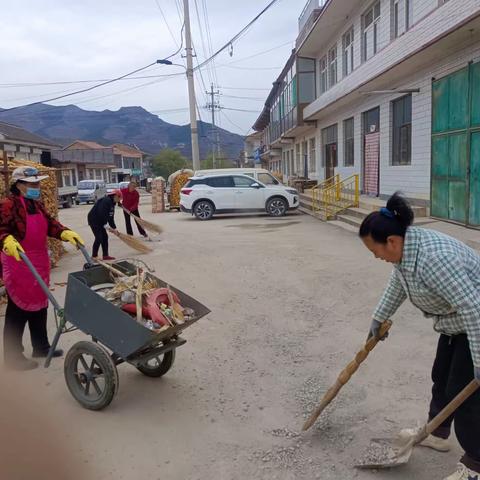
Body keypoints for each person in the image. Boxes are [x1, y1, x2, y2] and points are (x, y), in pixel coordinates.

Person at [360, 192, 480, 480]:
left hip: (474, 323)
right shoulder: (406, 252)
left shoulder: (434, 259)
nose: (375, 257)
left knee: (466, 397)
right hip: (454, 324)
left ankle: (476, 464)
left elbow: (474, 310)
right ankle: (436, 433)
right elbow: (399, 284)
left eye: (374, 250)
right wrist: (379, 317)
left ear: (391, 241)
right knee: (441, 377)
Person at [0, 166, 84, 371]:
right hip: (17, 260)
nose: (37, 186)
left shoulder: (36, 205)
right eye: (32, 184)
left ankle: (41, 346)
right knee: (18, 310)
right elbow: (1, 229)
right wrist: (6, 239)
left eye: (38, 183)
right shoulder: (7, 205)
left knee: (40, 303)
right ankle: (13, 356)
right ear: (19, 185)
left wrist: (65, 233)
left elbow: (51, 225)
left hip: (38, 260)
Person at [87, 189, 121, 261]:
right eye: (119, 198)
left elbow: (111, 217)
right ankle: (94, 256)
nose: (119, 200)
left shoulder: (112, 203)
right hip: (94, 220)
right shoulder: (106, 201)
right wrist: (107, 227)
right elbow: (102, 214)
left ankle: (105, 255)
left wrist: (114, 228)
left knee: (105, 237)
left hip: (100, 221)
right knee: (99, 237)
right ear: (115, 196)